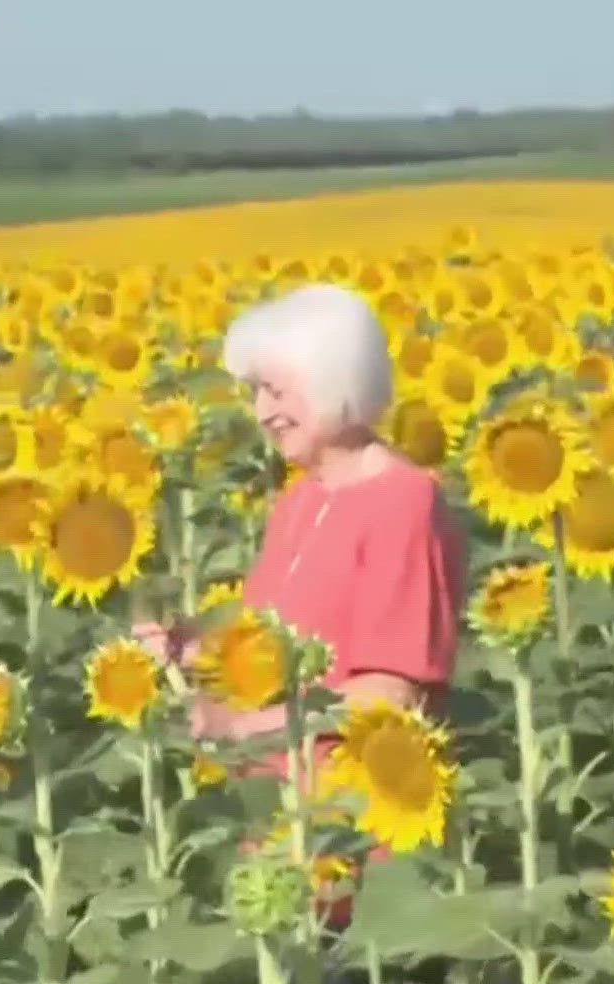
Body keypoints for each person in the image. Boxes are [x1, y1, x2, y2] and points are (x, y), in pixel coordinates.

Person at [135, 282, 468, 920]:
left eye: (277, 391)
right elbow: (278, 652)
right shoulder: (302, 499)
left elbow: (388, 696)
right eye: (256, 392)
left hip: (358, 847)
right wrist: (189, 651)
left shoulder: (402, 503)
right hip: (282, 842)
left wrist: (238, 729)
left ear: (335, 380)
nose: (262, 412)